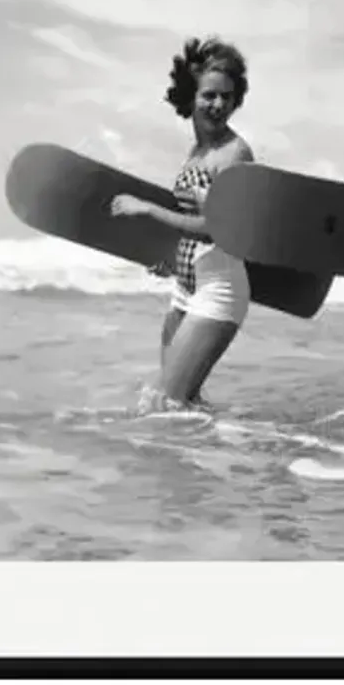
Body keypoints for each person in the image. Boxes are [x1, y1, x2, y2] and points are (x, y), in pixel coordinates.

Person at [109, 37, 255, 410]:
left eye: (226, 96)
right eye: (209, 95)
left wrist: (148, 210)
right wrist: (169, 259)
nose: (219, 104)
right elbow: (191, 225)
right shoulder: (195, 154)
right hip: (185, 288)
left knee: (165, 403)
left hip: (218, 289)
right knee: (178, 405)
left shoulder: (234, 153)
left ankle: (241, 452)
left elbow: (218, 229)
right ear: (190, 96)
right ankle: (210, 461)